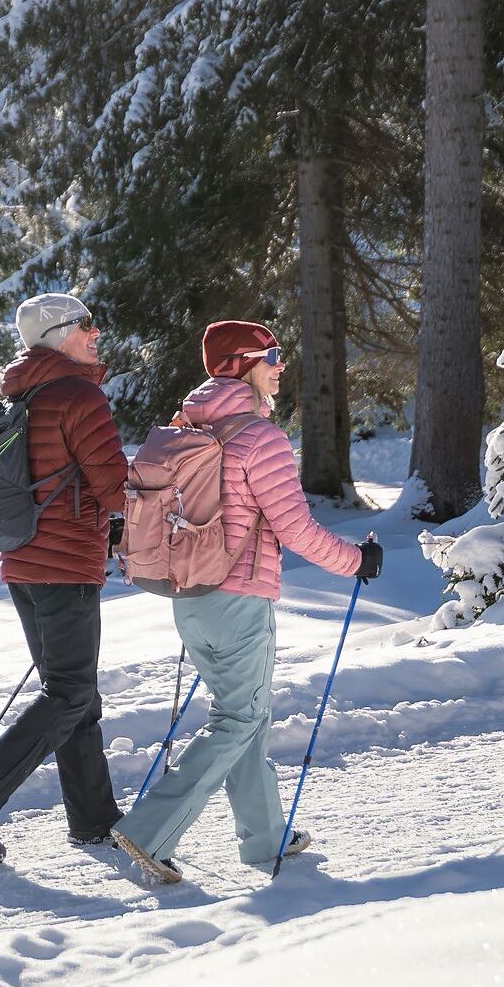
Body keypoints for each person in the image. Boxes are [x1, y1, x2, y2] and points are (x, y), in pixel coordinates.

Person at [110, 319, 383, 885]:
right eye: (271, 356)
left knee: (247, 715)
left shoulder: (187, 427)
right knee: (239, 718)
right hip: (238, 600)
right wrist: (356, 561)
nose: (281, 366)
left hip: (191, 597)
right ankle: (150, 831)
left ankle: (264, 838)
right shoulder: (261, 438)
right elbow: (297, 529)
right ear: (241, 365)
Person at [0, 293, 131, 862]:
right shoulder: (78, 395)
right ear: (58, 335)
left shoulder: (24, 394)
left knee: (73, 694)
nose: (96, 333)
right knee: (70, 692)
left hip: (22, 561)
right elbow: (114, 486)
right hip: (65, 564)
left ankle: (94, 818)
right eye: (86, 324)